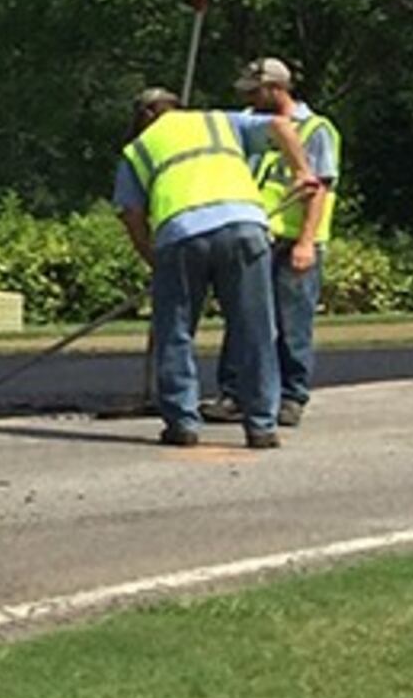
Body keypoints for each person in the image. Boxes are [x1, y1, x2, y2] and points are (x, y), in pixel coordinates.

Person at [113, 87, 307, 449]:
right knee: (255, 330)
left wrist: (153, 258)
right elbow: (283, 124)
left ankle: (182, 423)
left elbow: (132, 215)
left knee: (176, 331)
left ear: (143, 118)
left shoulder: (136, 149)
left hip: (181, 236)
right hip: (245, 228)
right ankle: (261, 425)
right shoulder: (218, 121)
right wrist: (302, 170)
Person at [224, 56, 339, 427]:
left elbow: (318, 189)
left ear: (277, 89)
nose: (251, 100)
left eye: (256, 92)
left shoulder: (315, 129)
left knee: (292, 323)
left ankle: (292, 396)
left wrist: (306, 242)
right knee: (245, 317)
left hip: (295, 241)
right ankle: (237, 394)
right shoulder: (257, 127)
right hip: (261, 234)